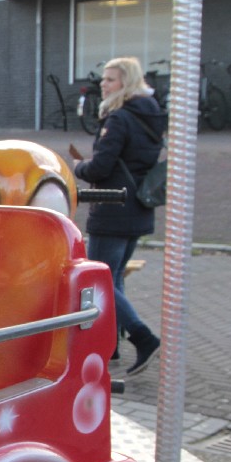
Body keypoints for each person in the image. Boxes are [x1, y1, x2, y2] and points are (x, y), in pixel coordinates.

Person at [69, 56, 165, 376]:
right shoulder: (149, 116)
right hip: (138, 205)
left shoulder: (120, 118)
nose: (103, 84)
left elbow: (100, 167)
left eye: (110, 79)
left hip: (113, 207)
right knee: (115, 276)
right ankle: (111, 345)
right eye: (103, 79)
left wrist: (78, 168)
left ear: (127, 82)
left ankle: (143, 337)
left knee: (101, 282)